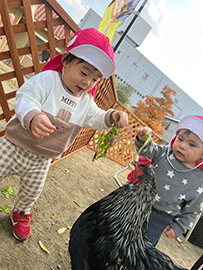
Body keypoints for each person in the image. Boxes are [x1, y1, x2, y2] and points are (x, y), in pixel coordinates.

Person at [0, 28, 128, 241]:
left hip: (41, 159)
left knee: (32, 191)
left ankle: (21, 213)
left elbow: (96, 117)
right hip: (14, 145)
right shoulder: (48, 79)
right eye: (84, 72)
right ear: (66, 60)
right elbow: (25, 97)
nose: (87, 82)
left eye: (95, 79)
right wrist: (32, 116)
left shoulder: (86, 101)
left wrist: (112, 116)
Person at [133, 115, 203, 246]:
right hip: (135, 202)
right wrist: (143, 141)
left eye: (192, 144)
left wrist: (179, 227)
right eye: (180, 139)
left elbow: (193, 210)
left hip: (158, 219)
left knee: (141, 249)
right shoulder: (164, 153)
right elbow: (148, 152)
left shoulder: (200, 180)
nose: (182, 146)